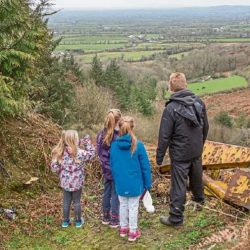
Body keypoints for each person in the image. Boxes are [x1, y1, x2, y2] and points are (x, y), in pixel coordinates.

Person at [156, 72, 209, 227]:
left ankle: (175, 218)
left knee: (179, 185)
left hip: (180, 153)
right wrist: (201, 143)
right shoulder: (199, 102)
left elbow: (164, 136)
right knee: (196, 176)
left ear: (171, 87)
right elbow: (205, 127)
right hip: (196, 149)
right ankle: (199, 202)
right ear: (185, 84)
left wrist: (159, 158)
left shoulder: (171, 108)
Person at [110, 116, 151, 242]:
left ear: (119, 128)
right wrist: (147, 185)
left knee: (123, 205)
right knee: (133, 207)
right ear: (132, 128)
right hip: (135, 183)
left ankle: (123, 228)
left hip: (120, 183)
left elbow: (112, 165)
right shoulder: (138, 145)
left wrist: (116, 180)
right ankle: (133, 232)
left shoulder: (114, 146)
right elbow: (145, 167)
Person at [51, 130, 95, 228]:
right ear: (75, 140)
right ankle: (78, 222)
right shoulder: (80, 152)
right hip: (77, 182)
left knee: (66, 202)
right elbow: (92, 154)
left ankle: (65, 222)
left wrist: (60, 170)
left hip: (65, 182)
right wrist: (87, 142)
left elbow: (54, 167)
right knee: (77, 202)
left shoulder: (60, 152)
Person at [96, 109, 122, 228]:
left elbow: (100, 153)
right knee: (115, 194)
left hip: (106, 169)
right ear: (118, 121)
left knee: (106, 192)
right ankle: (115, 219)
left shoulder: (101, 134)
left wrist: (106, 165)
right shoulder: (119, 136)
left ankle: (106, 217)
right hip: (117, 170)